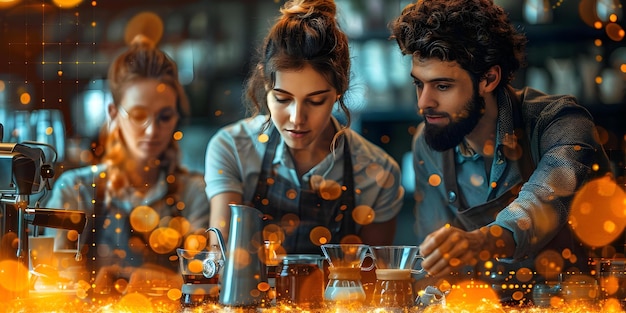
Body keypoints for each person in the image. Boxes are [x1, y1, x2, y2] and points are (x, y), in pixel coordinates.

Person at [389, 0, 612, 303]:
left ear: (488, 79)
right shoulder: (428, 144)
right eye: (419, 84)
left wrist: (483, 241)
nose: (423, 103)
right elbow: (438, 266)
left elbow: (546, 199)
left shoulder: (561, 122)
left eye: (442, 86)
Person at [204, 0, 403, 254]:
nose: (297, 118)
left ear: (339, 91)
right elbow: (222, 258)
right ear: (266, 85)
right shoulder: (232, 149)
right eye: (282, 99)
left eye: (316, 101)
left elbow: (376, 281)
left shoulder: (378, 173)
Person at [44, 34, 210, 299]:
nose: (152, 129)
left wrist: (165, 284)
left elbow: (206, 283)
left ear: (176, 117)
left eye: (164, 116)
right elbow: (52, 280)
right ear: (113, 114)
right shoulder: (76, 190)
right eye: (139, 115)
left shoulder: (195, 193)